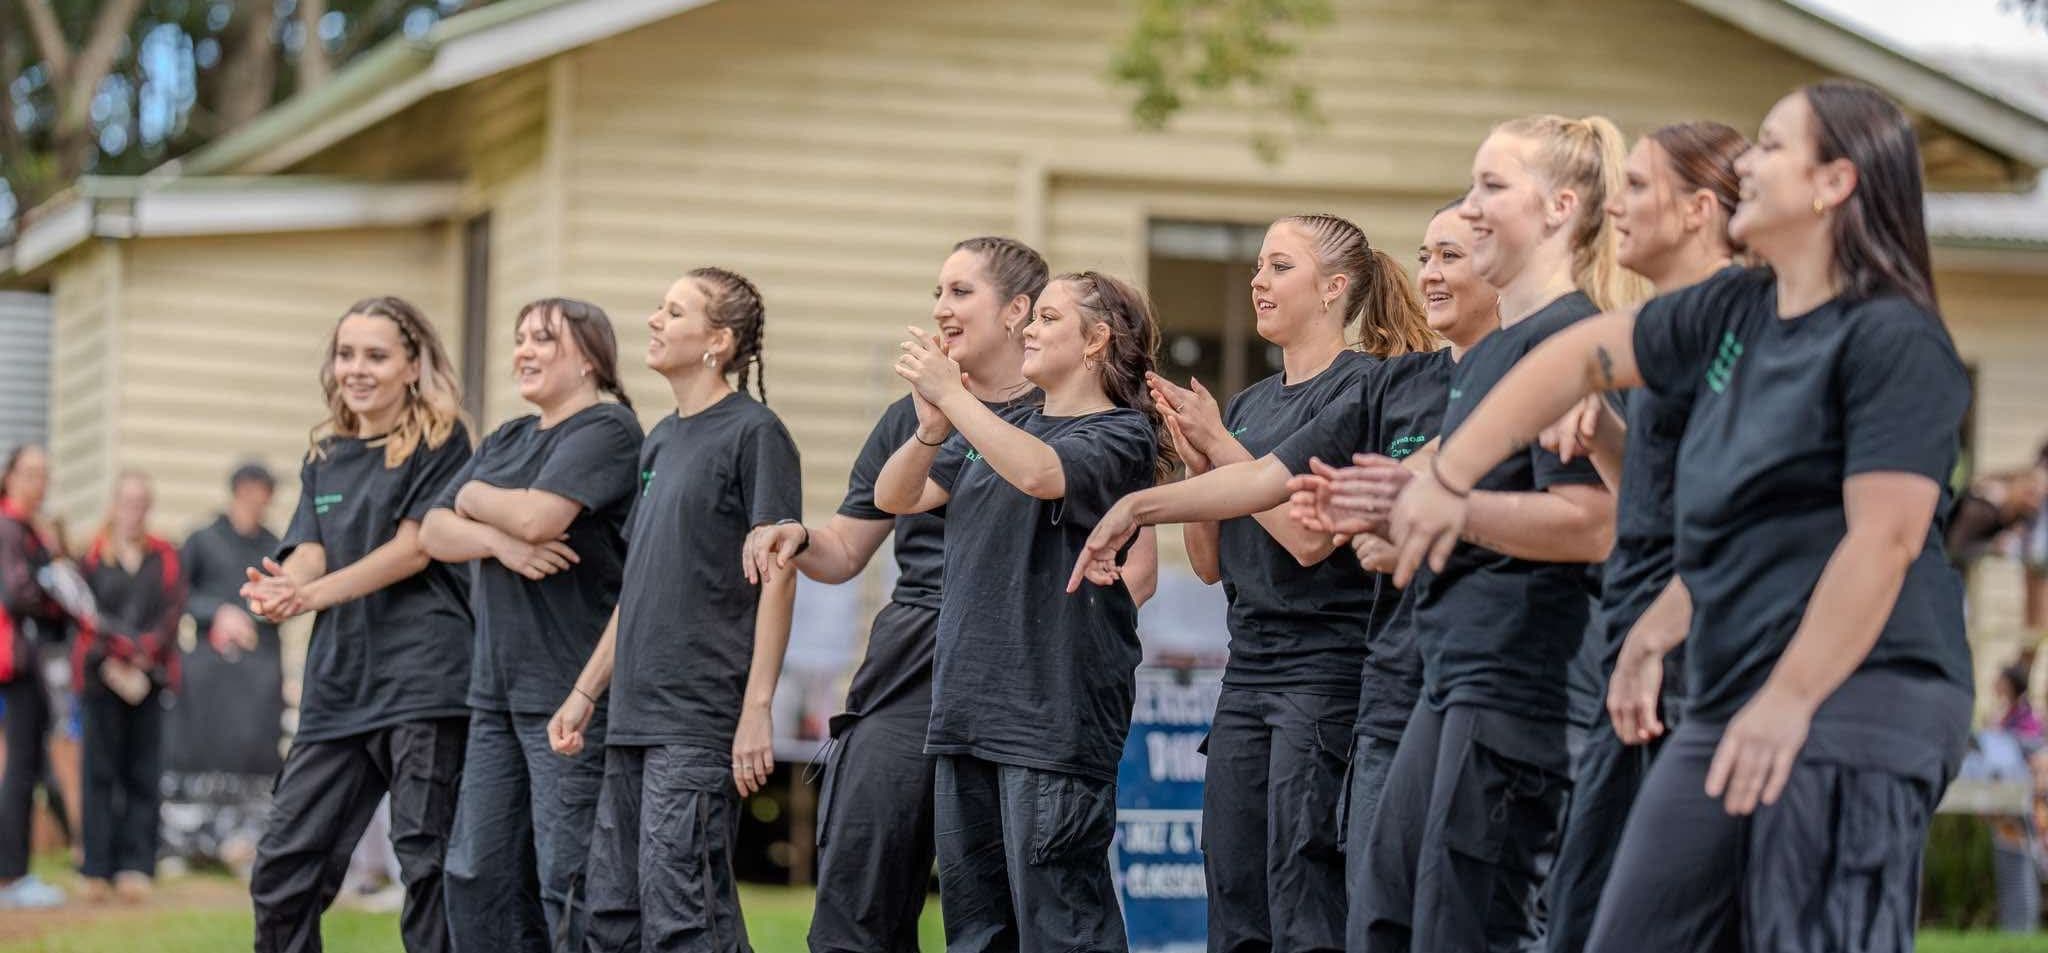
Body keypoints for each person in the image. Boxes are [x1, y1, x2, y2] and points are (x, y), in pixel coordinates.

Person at [1390, 81, 1975, 952]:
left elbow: (1883, 540)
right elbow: (1574, 360)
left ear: (1834, 184)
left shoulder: (1893, 340)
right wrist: (1451, 472)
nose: (1749, 163)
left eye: (1773, 146)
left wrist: (1790, 698)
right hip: (1731, 692)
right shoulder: (1731, 312)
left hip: (1859, 695)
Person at [1323, 114, 1635, 953]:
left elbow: (1599, 521)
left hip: (1522, 686)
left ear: (1561, 207)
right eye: (1470, 187)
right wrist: (1396, 514)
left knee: (1472, 928)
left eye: (1490, 187)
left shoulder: (1576, 341)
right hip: (1451, 676)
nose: (1468, 210)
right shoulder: (1495, 356)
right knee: (1385, 916)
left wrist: (1454, 512)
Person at [1130, 212, 1434, 953]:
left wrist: (1223, 449)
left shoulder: (1365, 387)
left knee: (1304, 891)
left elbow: (1306, 539)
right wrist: (1198, 461)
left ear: (1333, 288)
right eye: (1258, 267)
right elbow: (1208, 564)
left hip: (1326, 671)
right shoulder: (1252, 404)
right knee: (1233, 885)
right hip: (1248, 673)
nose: (1258, 282)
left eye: (1279, 266)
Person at [742, 236, 1053, 953]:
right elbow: (847, 547)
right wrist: (797, 535)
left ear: (1016, 311)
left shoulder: (1063, 415)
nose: (941, 309)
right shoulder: (903, 420)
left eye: (960, 292)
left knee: (1001, 902)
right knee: (859, 878)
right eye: (937, 293)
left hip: (1018, 661)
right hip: (912, 656)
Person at [876, 271, 1169, 953]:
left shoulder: (1121, 434)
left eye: (1048, 318)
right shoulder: (999, 426)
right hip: (968, 712)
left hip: (1051, 716)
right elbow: (897, 497)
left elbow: (1043, 473)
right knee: (975, 933)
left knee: (1062, 929)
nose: (1028, 329)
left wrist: (953, 391)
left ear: (1095, 340)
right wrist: (928, 429)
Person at [1532, 120, 1746, 953]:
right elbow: (1652, 500)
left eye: (1641, 188)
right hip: (1636, 651)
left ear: (1699, 210)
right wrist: (1605, 437)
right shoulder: (1662, 328)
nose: (1617, 205)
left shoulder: (1734, 328)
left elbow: (1742, 523)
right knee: (1583, 911)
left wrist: (1660, 638)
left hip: (1689, 660)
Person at [547, 268, 800, 952]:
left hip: (697, 716)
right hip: (633, 713)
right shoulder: (658, 440)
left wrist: (757, 706)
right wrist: (584, 690)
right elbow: (642, 584)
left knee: (684, 914)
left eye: (674, 311)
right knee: (609, 915)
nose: (654, 320)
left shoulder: (756, 434)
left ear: (717, 340)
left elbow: (779, 575)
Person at [244, 296, 475, 953]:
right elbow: (311, 542)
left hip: (425, 681)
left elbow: (415, 548)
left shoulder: (442, 438)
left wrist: (311, 593)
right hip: (339, 685)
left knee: (426, 864)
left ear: (412, 366)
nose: (357, 368)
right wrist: (288, 584)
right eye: (346, 354)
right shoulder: (326, 455)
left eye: (376, 355)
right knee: (283, 867)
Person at [423, 297, 642, 953]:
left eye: (544, 338)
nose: (525, 349)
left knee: (566, 875)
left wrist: (475, 501)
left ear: (589, 359)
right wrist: (500, 543)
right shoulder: (508, 437)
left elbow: (539, 518)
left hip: (569, 691)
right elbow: (434, 531)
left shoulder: (608, 431)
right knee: (477, 872)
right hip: (494, 691)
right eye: (520, 337)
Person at [165, 462, 285, 878]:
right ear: (236, 491)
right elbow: (177, 593)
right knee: (197, 751)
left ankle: (246, 844)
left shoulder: (275, 545)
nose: (257, 499)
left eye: (264, 491)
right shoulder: (203, 540)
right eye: (250, 490)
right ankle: (186, 843)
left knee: (253, 754)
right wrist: (216, 613)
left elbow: (289, 598)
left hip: (257, 674)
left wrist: (254, 618)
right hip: (205, 674)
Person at [73, 471, 186, 902]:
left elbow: (174, 611)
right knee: (99, 772)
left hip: (149, 681)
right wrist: (121, 653)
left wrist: (145, 653)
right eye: (127, 501)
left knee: (143, 771)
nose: (133, 510)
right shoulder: (93, 555)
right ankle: (96, 867)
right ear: (114, 503)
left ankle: (137, 864)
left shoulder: (165, 556)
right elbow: (84, 614)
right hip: (103, 678)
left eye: (141, 502)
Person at [0, 444, 69, 909]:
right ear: (9, 476)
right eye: (28, 473)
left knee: (23, 767)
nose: (37, 483)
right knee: (21, 768)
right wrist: (58, 596)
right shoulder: (9, 529)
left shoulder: (30, 532)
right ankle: (12, 877)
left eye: (44, 474)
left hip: (24, 664)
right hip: (14, 665)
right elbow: (19, 592)